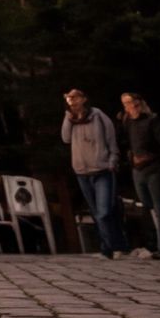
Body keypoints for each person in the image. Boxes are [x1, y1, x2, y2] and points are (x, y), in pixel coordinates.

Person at [64, 88, 126, 257]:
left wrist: (113, 160)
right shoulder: (70, 117)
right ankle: (109, 247)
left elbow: (111, 139)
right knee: (95, 211)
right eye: (69, 98)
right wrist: (69, 116)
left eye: (75, 97)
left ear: (83, 98)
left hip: (102, 169)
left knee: (104, 210)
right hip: (82, 171)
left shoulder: (98, 115)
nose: (72, 100)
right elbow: (65, 138)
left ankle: (112, 246)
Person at [122, 93, 160, 261]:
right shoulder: (127, 122)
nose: (131, 107)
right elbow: (127, 142)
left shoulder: (152, 120)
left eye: (133, 104)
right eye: (127, 104)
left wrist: (151, 156)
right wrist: (131, 158)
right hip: (137, 170)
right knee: (147, 205)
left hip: (154, 168)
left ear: (140, 104)